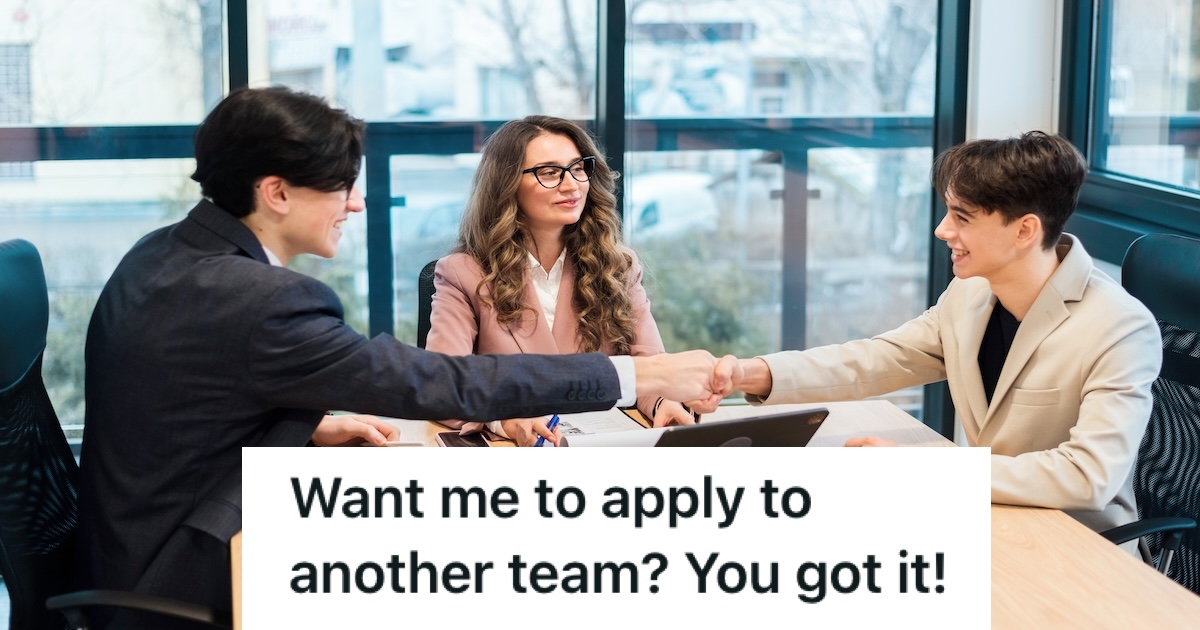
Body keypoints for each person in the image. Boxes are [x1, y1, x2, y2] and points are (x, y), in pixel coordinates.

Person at [76, 87, 729, 629]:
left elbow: (190, 406)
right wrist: (632, 376)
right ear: (276, 192)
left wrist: (311, 427)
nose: (357, 203)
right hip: (184, 566)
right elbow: (433, 381)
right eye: (341, 186)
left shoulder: (167, 253)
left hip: (137, 536)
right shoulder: (260, 298)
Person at [724, 131, 1161, 550]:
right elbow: (879, 359)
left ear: (1024, 231)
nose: (942, 230)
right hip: (991, 520)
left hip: (1081, 550)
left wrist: (924, 470)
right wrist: (752, 374)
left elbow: (1088, 475)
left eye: (962, 217)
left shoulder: (1119, 327)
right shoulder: (972, 292)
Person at [426, 115, 701, 446]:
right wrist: (504, 420)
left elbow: (650, 365)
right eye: (550, 173)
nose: (572, 185)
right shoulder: (462, 274)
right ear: (507, 184)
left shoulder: (618, 266)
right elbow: (441, 387)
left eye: (578, 168)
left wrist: (662, 401)